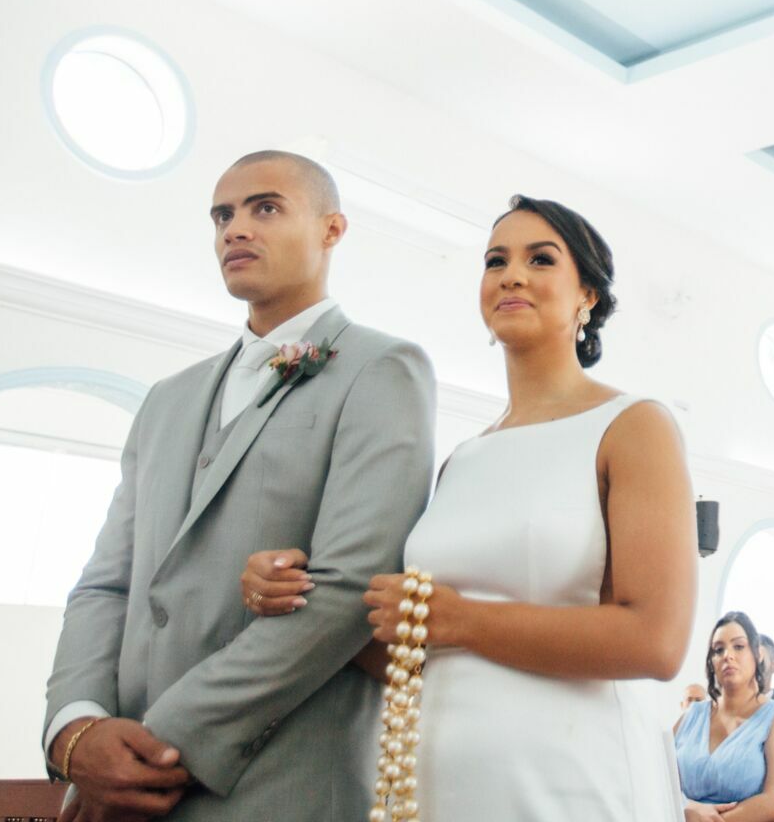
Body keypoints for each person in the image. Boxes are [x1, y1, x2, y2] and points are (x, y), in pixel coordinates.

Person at [256, 193, 695, 818]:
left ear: (587, 296)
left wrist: (464, 621)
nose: (512, 274)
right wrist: (293, 595)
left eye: (541, 259)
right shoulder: (461, 458)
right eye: (496, 261)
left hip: (568, 782)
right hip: (442, 780)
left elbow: (655, 640)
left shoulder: (632, 426)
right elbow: (412, 648)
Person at [45, 151, 436, 821]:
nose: (234, 230)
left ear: (332, 230)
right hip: (115, 777)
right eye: (222, 215)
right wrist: (76, 731)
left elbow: (348, 590)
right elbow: (107, 583)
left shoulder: (383, 370)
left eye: (266, 208)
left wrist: (156, 747)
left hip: (277, 786)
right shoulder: (167, 400)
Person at [676, 612, 774, 822]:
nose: (728, 655)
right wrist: (686, 808)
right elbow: (657, 776)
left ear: (758, 654)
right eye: (719, 650)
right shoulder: (692, 716)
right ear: (712, 662)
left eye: (738, 646)